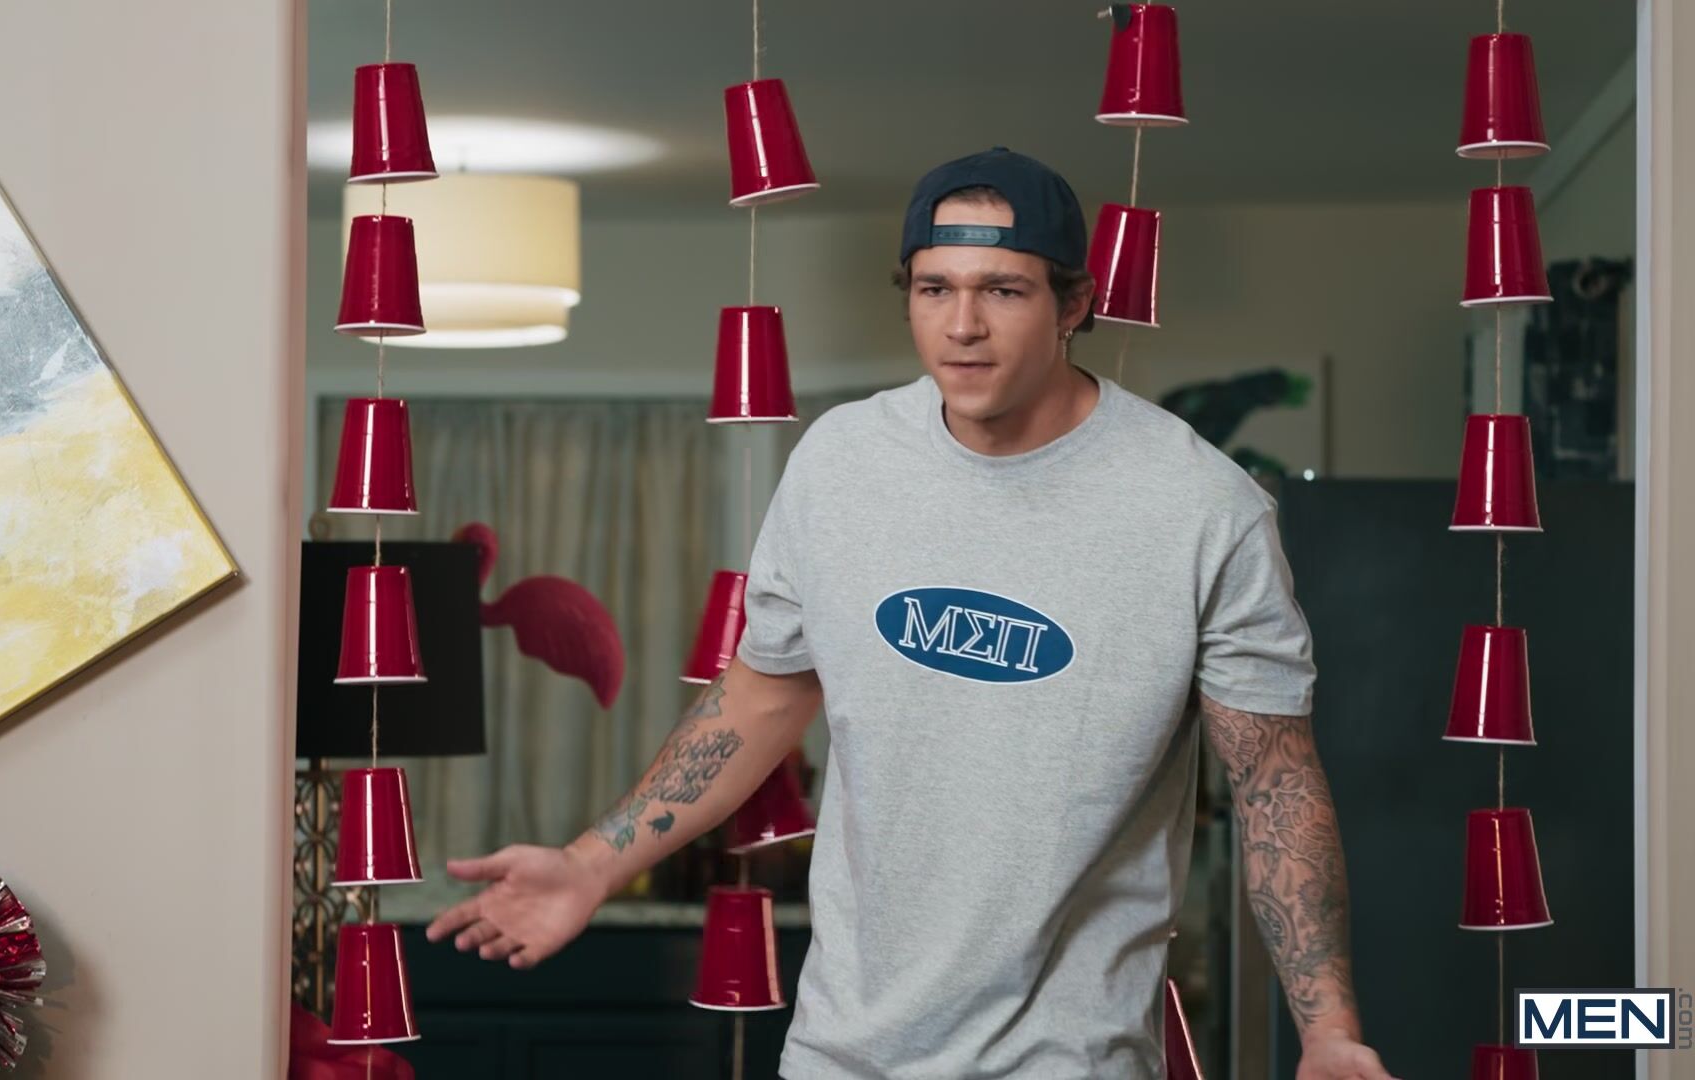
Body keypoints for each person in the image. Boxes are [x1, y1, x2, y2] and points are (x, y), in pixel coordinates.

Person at [426, 147, 1397, 1080]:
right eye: (934, 289)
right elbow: (759, 700)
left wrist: (1328, 1030)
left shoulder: (1201, 509)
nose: (961, 325)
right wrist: (590, 865)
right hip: (843, 1055)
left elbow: (1273, 781)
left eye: (1002, 291)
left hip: (1069, 1061)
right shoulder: (839, 464)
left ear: (1073, 306)